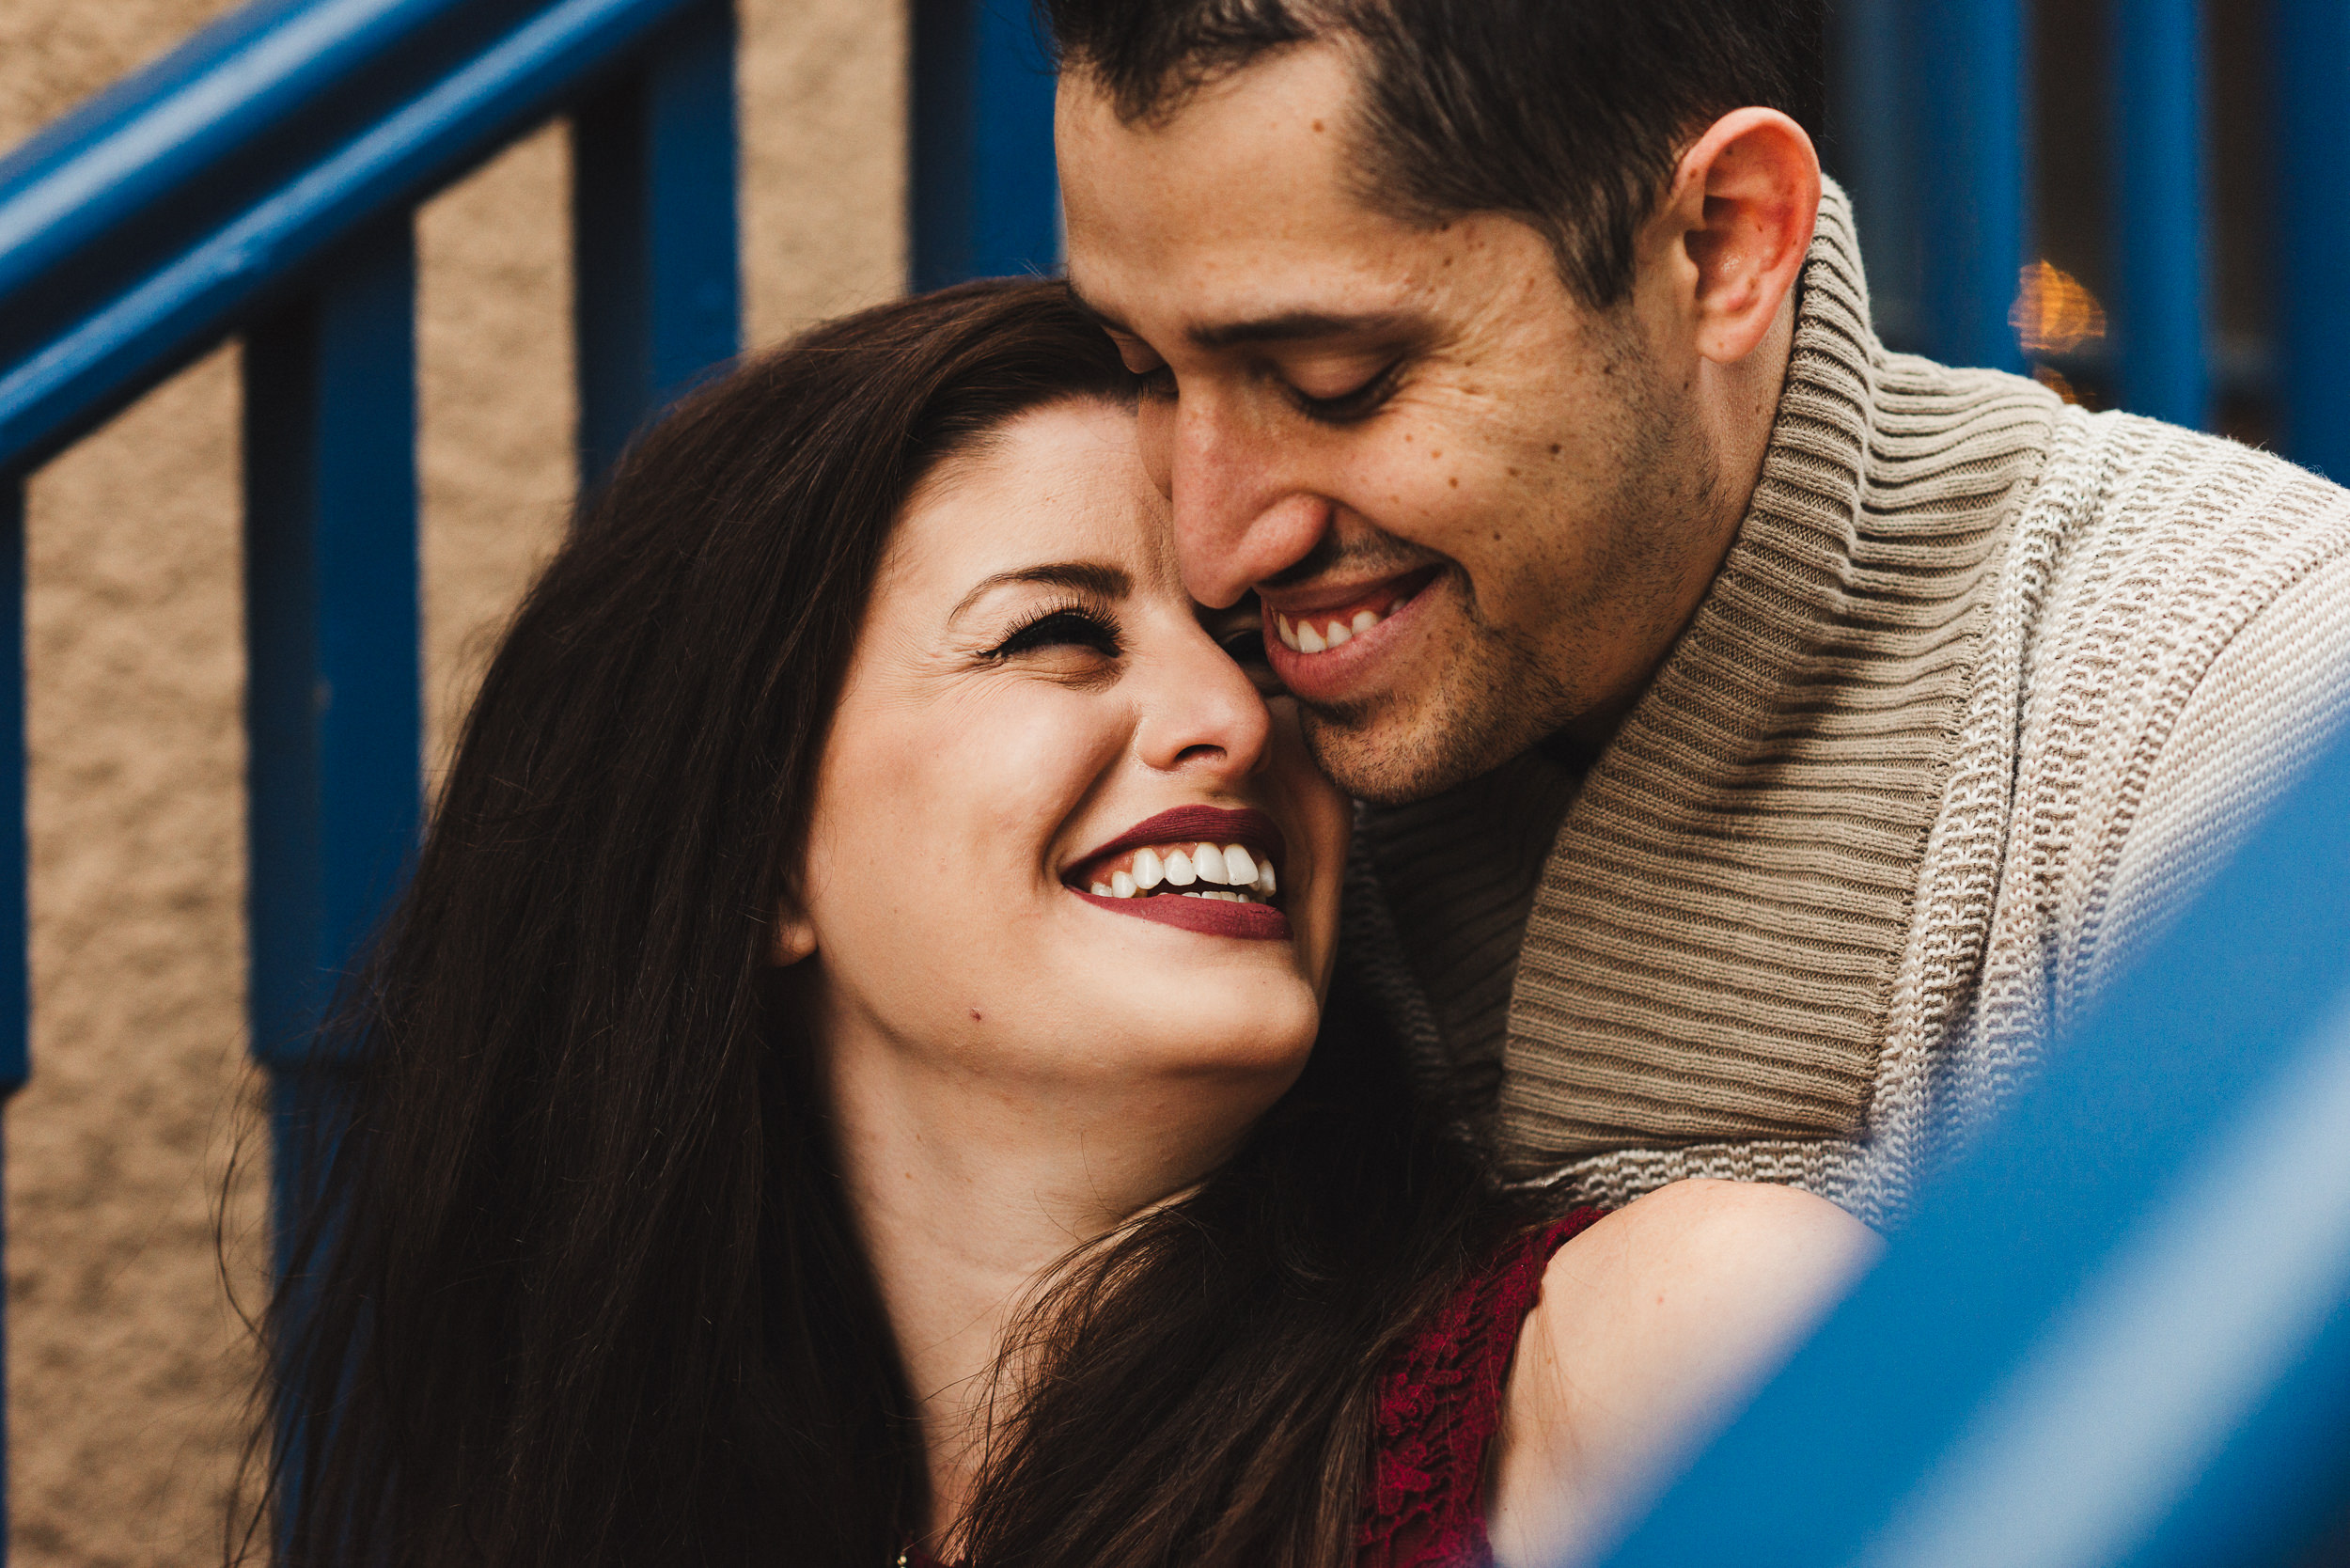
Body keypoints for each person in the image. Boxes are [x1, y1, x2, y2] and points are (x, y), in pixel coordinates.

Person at [245, 281, 1873, 1568]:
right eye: (1055, 636)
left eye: (1249, 639)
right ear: (763, 865)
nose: (1230, 717)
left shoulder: (1659, 1360)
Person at [1043, 0, 2350, 1224]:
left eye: (1339, 380)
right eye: (1143, 373)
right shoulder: (1189, 753)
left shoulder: (2245, 695)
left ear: (1725, 241)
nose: (1213, 551)